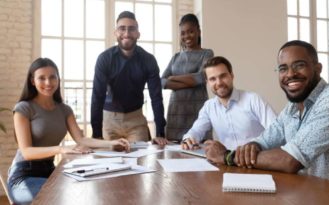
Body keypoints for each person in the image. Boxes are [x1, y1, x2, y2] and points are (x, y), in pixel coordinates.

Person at [213, 40, 329, 188]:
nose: (290, 74)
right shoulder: (292, 107)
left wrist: (227, 156)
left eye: (299, 65)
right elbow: (264, 141)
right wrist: (251, 147)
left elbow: (290, 160)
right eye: (283, 68)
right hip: (307, 195)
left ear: (318, 68)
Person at [7, 58, 131, 205]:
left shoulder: (64, 109)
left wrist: (111, 144)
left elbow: (81, 139)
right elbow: (26, 152)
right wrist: (61, 149)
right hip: (24, 175)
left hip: (51, 171)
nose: (48, 83)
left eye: (53, 77)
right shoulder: (23, 108)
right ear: (32, 81)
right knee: (56, 200)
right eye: (42, 78)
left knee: (87, 193)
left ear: (58, 79)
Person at [91, 11, 167, 146]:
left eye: (131, 29)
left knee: (139, 162)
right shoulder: (104, 59)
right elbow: (97, 96)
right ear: (115, 33)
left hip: (136, 121)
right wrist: (96, 133)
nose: (126, 33)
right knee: (108, 164)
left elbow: (156, 97)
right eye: (122, 28)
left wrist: (160, 132)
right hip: (109, 120)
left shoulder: (149, 60)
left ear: (138, 33)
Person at [181, 56, 277, 153]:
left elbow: (276, 131)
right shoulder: (209, 106)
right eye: (212, 79)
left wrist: (256, 146)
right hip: (227, 162)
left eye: (223, 76)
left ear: (231, 76)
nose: (219, 83)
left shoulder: (253, 100)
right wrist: (189, 138)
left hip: (257, 160)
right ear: (207, 82)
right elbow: (196, 131)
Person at [161, 13, 214, 142]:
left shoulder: (207, 53)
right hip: (176, 113)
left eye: (191, 31)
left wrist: (173, 78)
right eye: (183, 33)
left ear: (198, 32)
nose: (186, 36)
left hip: (197, 112)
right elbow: (162, 81)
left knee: (199, 152)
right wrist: (191, 82)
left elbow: (201, 77)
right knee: (173, 156)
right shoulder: (176, 57)